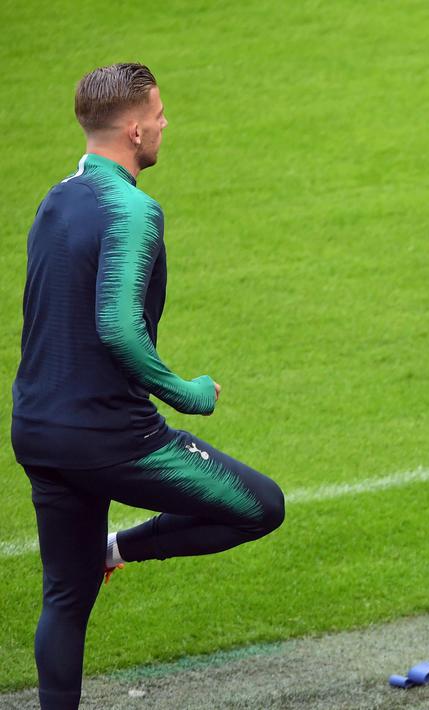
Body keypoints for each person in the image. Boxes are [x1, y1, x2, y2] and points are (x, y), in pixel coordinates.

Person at [10, 63, 285, 710]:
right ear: (133, 130)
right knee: (260, 506)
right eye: (158, 114)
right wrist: (189, 394)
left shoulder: (56, 198)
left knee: (65, 599)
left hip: (38, 430)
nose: (165, 123)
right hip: (110, 437)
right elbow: (117, 328)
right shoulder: (132, 209)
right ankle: (122, 547)